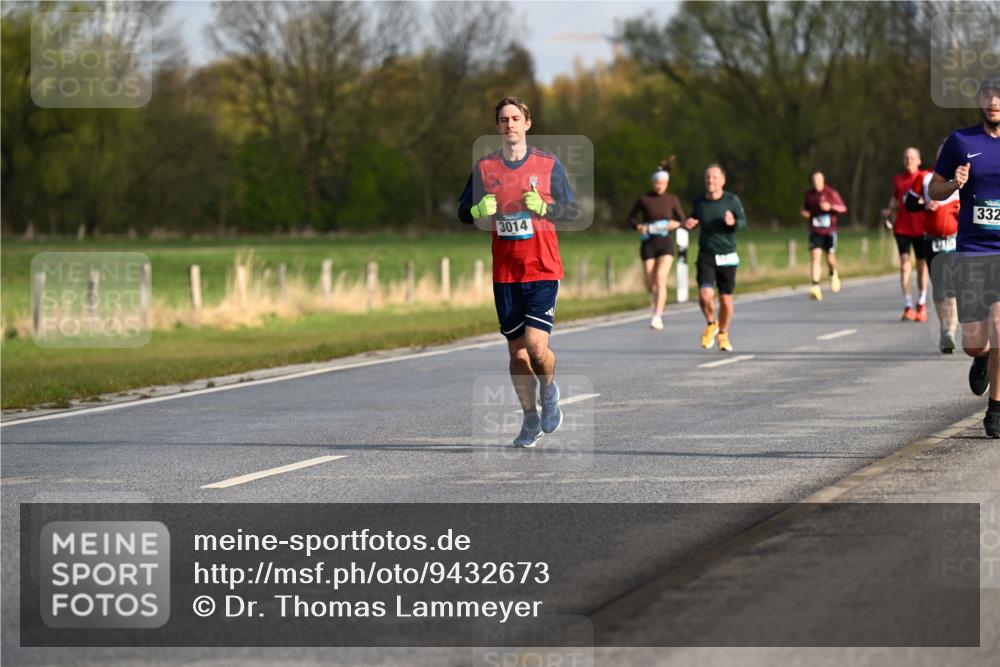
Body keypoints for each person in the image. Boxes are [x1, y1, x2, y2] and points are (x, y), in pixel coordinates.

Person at [458, 96, 576, 447]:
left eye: (515, 118)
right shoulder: (485, 168)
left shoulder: (548, 164)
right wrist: (477, 209)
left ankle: (549, 392)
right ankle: (529, 419)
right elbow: (462, 211)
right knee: (517, 353)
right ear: (497, 126)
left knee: (537, 348)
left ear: (527, 123)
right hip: (506, 273)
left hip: (542, 267)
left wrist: (546, 207)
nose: (509, 124)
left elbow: (571, 210)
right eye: (503, 119)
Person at [928, 75, 1000, 438]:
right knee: (974, 342)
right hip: (972, 249)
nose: (993, 101)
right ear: (980, 100)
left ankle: (996, 409)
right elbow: (933, 189)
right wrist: (955, 183)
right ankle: (982, 358)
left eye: (999, 96)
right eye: (988, 95)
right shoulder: (961, 141)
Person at [684, 164, 748, 352]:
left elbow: (743, 222)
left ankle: (723, 334)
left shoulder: (732, 200)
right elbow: (695, 219)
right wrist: (690, 223)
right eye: (707, 177)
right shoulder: (699, 201)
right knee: (705, 294)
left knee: (726, 300)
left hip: (727, 254)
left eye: (714, 177)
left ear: (723, 180)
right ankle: (711, 323)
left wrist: (733, 222)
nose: (710, 180)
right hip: (707, 254)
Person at [624, 156, 686, 330]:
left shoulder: (672, 200)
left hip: (665, 243)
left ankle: (657, 315)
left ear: (667, 184)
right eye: (658, 183)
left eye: (663, 183)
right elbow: (630, 218)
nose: (660, 186)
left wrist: (676, 224)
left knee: (661, 278)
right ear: (653, 183)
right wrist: (638, 227)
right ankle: (655, 298)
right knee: (651, 284)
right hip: (648, 243)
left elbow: (683, 221)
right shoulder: (644, 199)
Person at [882, 148, 931, 321]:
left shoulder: (925, 178)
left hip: (921, 227)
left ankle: (921, 303)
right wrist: (889, 211)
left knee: (921, 266)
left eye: (912, 158)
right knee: (904, 265)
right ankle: (908, 305)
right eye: (906, 158)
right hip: (902, 228)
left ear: (919, 160)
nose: (909, 161)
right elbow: (895, 199)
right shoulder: (898, 179)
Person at [922, 142, 960, 353]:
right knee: (938, 287)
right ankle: (944, 326)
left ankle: (950, 332)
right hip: (932, 240)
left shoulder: (962, 181)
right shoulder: (927, 179)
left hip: (953, 240)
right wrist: (924, 205)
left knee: (951, 286)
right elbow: (912, 201)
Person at [799, 171, 847, 301]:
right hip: (815, 230)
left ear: (823, 181)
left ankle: (833, 274)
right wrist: (804, 212)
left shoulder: (831, 193)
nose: (816, 183)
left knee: (830, 258)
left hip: (829, 231)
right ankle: (815, 287)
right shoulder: (809, 194)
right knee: (815, 257)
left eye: (818, 180)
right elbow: (805, 208)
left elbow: (843, 208)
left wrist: (830, 207)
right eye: (814, 181)